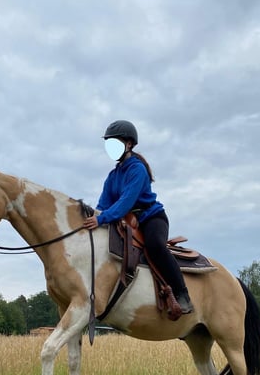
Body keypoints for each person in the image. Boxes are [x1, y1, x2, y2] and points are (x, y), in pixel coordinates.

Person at [83, 120, 194, 316]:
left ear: (129, 144)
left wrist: (101, 219)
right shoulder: (112, 176)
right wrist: (95, 217)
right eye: (108, 144)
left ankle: (182, 293)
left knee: (155, 246)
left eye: (115, 143)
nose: (110, 148)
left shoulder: (137, 169)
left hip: (151, 218)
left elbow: (126, 202)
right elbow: (103, 205)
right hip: (125, 221)